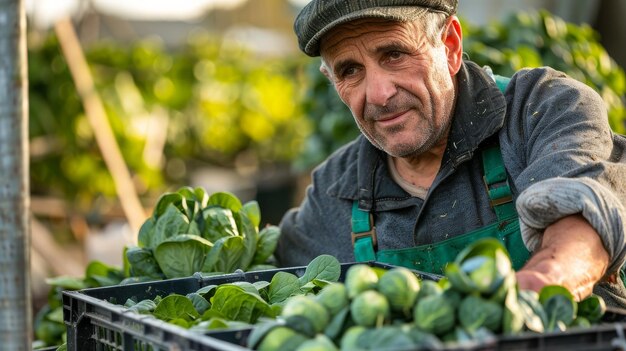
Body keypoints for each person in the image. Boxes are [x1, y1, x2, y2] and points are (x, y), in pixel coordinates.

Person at [276, 0, 626, 307]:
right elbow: (272, 280)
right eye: (350, 70)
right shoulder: (336, 190)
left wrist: (539, 286)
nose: (379, 94)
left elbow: (584, 212)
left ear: (450, 45)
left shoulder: (539, 110)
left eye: (394, 54)